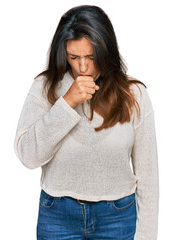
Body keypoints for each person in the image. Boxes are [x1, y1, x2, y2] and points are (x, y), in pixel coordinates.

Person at [14, 5, 159, 240]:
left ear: (106, 52)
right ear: (63, 54)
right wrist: (67, 102)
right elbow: (28, 156)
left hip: (118, 217)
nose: (83, 67)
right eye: (74, 57)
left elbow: (148, 178)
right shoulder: (44, 87)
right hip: (57, 217)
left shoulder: (134, 94)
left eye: (91, 57)